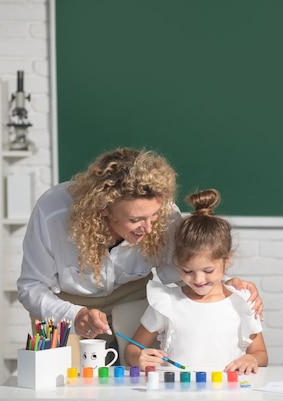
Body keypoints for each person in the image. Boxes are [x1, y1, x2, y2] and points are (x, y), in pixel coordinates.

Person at [17, 148, 263, 356]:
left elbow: (184, 276)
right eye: (135, 219)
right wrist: (75, 315)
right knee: (62, 383)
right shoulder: (52, 213)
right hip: (66, 305)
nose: (148, 228)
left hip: (133, 298)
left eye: (153, 216)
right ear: (103, 209)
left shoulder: (165, 216)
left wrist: (226, 288)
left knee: (137, 376)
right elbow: (31, 286)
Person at [124, 189, 268, 374]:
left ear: (227, 260)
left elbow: (260, 353)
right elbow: (132, 350)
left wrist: (251, 358)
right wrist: (138, 357)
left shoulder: (241, 302)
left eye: (208, 271)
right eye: (187, 271)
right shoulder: (166, 302)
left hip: (227, 392)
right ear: (177, 261)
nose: (198, 279)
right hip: (177, 392)